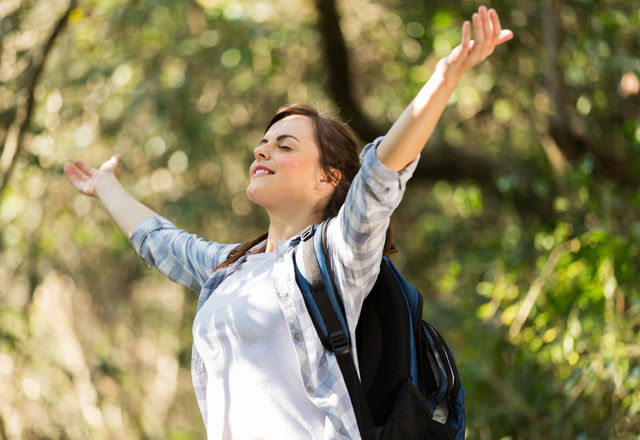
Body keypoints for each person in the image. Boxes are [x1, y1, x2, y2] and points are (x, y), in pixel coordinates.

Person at [64, 6, 512, 439]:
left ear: (327, 178)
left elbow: (380, 174)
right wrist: (106, 187)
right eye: (262, 143)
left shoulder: (337, 258)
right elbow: (161, 242)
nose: (261, 152)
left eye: (284, 146)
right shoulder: (229, 269)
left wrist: (443, 79)